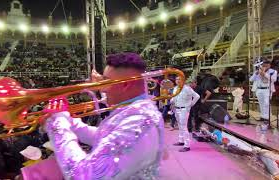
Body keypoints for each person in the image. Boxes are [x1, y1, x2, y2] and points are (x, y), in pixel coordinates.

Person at [23, 53, 165, 179]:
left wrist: (58, 123)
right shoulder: (134, 111)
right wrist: (69, 121)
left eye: (106, 81)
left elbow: (84, 174)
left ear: (125, 85)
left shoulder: (140, 121)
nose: (101, 87)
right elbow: (103, 136)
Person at [170, 77, 200, 152]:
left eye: (179, 79)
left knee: (183, 127)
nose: (177, 81)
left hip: (184, 109)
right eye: (176, 79)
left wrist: (191, 104)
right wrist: (172, 100)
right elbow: (174, 97)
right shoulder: (175, 88)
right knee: (180, 125)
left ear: (183, 80)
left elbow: (197, 96)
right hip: (176, 108)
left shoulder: (187, 88)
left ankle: (187, 145)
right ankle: (181, 141)